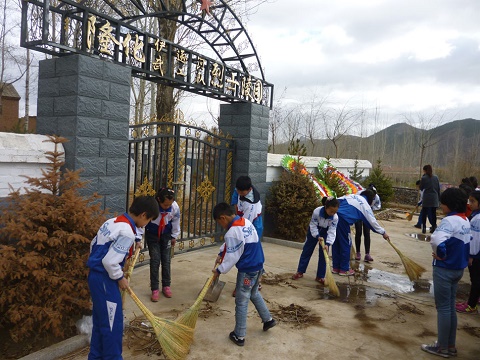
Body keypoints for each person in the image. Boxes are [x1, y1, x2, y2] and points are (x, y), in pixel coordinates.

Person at [87, 196, 159, 360]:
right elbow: (109, 261)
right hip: (105, 280)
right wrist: (120, 277)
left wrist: (136, 241)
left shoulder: (113, 222)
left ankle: (95, 357)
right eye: (148, 220)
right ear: (143, 215)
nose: (146, 224)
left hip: (96, 278)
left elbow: (94, 245)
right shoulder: (126, 232)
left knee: (100, 323)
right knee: (113, 326)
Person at [212, 202, 276, 347]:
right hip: (258, 266)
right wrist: (221, 253)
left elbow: (233, 256)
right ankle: (268, 320)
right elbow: (233, 244)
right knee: (253, 293)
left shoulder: (232, 232)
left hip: (247, 271)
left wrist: (219, 270)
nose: (220, 226)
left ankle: (239, 335)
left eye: (219, 222)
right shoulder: (245, 222)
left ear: (222, 218)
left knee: (241, 300)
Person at [421, 187, 470, 358]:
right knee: (450, 308)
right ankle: (450, 345)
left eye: (443, 203)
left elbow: (436, 239)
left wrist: (441, 255)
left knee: (442, 308)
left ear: (449, 204)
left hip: (444, 270)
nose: (441, 206)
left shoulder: (449, 221)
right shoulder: (465, 220)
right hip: (458, 270)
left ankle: (441, 348)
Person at [332, 190, 390, 276]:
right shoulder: (364, 204)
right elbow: (372, 222)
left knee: (336, 243)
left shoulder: (351, 196)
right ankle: (344, 269)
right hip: (343, 221)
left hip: (333, 216)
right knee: (345, 244)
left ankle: (336, 267)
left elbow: (336, 201)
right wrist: (383, 232)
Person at [292, 197, 339, 284]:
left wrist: (328, 244)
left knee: (323, 255)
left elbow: (332, 231)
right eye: (331, 211)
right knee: (307, 251)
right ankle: (300, 271)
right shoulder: (317, 212)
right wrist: (317, 236)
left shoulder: (335, 218)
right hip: (314, 231)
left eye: (335, 212)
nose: (333, 213)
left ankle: (320, 276)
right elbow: (313, 225)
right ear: (326, 207)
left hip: (325, 232)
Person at [145, 188, 181, 301]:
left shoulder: (174, 207)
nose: (167, 207)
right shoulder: (152, 206)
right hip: (153, 234)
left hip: (166, 235)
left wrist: (174, 236)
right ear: (159, 200)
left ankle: (166, 286)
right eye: (165, 205)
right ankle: (155, 289)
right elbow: (143, 221)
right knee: (155, 260)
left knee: (166, 260)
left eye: (169, 205)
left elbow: (176, 221)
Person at [231, 175, 264, 296]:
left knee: (251, 254)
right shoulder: (240, 189)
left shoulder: (252, 206)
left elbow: (244, 226)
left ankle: (255, 280)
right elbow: (235, 198)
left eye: (241, 192)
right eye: (238, 190)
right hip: (241, 218)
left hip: (253, 226)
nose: (239, 192)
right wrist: (236, 212)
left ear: (249, 189)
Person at [455, 190, 480, 314]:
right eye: (469, 201)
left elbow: (475, 239)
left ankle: (471, 305)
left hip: (476, 255)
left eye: (473, 201)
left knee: (475, 280)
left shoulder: (477, 219)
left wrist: (471, 255)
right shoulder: (475, 215)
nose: (470, 204)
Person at [354, 184, 381, 262]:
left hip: (368, 214)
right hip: (359, 214)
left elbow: (378, 206)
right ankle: (358, 252)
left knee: (367, 233)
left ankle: (367, 254)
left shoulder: (376, 197)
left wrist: (371, 208)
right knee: (358, 232)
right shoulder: (360, 194)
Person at [419, 164, 440, 234]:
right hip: (434, 197)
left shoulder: (424, 178)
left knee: (424, 213)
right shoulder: (436, 177)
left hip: (427, 198)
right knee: (433, 213)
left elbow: (421, 187)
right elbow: (438, 188)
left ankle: (424, 227)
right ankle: (434, 226)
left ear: (424, 170)